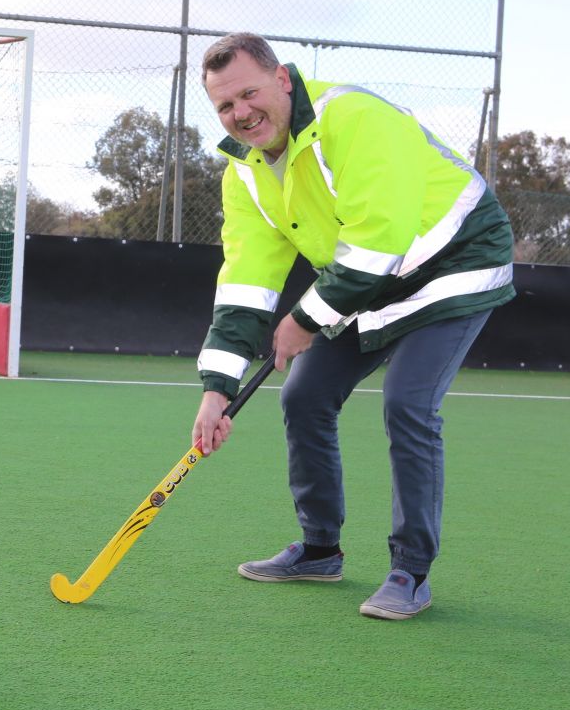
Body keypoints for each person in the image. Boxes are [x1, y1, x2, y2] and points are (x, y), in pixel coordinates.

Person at [192, 33, 514, 620]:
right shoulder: (243, 173)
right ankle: (319, 550)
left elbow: (378, 239)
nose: (240, 113)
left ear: (283, 79)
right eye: (224, 106)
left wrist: (304, 319)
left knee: (408, 403)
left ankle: (410, 571)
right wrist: (218, 388)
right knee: (305, 394)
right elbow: (246, 280)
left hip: (455, 260)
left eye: (249, 93)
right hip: (368, 280)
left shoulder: (356, 116)